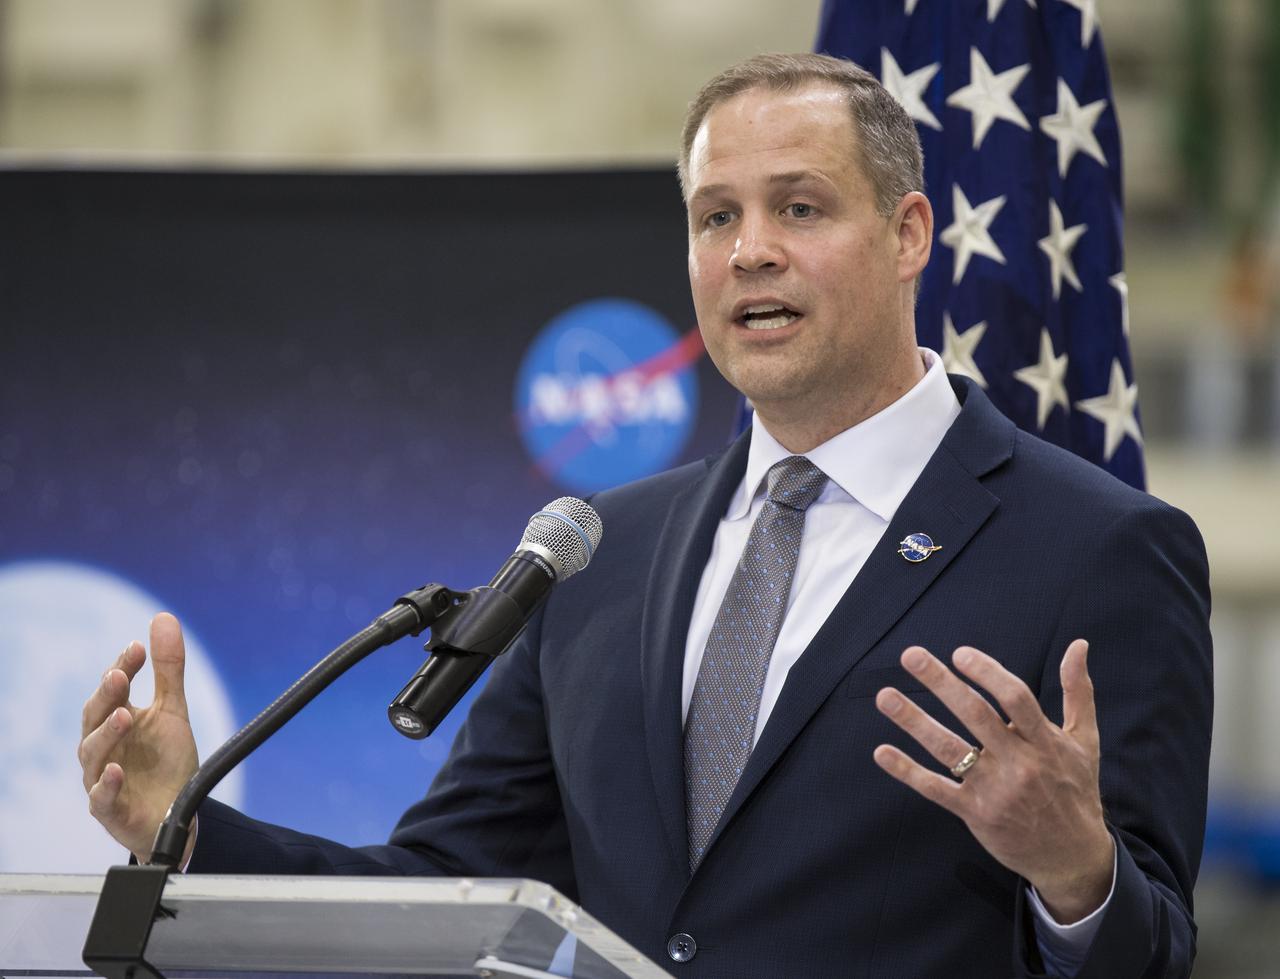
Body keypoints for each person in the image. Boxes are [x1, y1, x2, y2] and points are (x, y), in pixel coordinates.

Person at [78, 54, 1211, 977]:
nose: (748, 249)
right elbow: (443, 891)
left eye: (798, 207)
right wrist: (183, 826)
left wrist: (1077, 875)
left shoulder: (1096, 548)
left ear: (909, 235)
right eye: (714, 216)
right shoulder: (597, 551)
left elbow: (1151, 951)